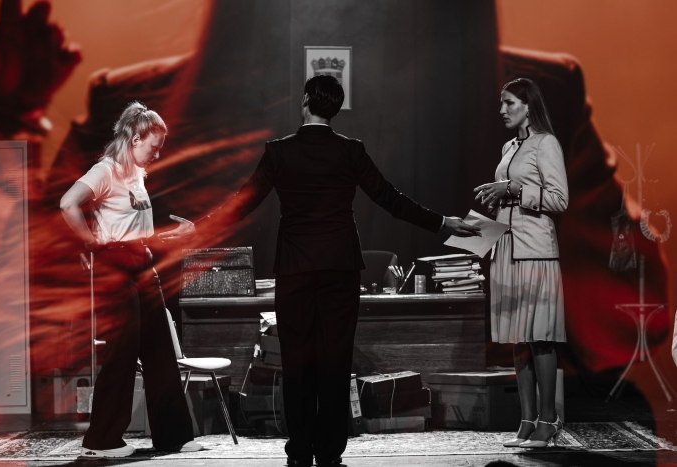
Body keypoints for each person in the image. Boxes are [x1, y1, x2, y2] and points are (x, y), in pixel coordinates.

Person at [159, 75, 480, 466]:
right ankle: (329, 454)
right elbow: (390, 199)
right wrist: (442, 222)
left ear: (306, 101)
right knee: (335, 361)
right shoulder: (350, 151)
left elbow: (243, 201)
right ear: (335, 108)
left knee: (297, 361)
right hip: (340, 267)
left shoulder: (279, 151)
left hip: (295, 268)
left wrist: (199, 227)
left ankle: (299, 452)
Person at [59, 102, 200, 458]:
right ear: (135, 139)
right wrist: (89, 242)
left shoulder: (136, 173)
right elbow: (67, 203)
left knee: (159, 349)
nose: (157, 153)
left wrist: (168, 237)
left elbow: (134, 228)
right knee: (121, 351)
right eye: (154, 146)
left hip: (142, 262)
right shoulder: (105, 170)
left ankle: (173, 436)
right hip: (115, 267)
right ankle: (101, 441)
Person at [474, 78, 568, 448]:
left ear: (528, 106)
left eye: (509, 102)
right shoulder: (509, 146)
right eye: (501, 103)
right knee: (519, 338)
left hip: (535, 252)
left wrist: (514, 189)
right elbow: (510, 198)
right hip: (506, 251)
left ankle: (548, 420)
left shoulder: (546, 143)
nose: (502, 110)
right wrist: (492, 205)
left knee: (540, 338)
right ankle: (527, 421)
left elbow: (559, 199)